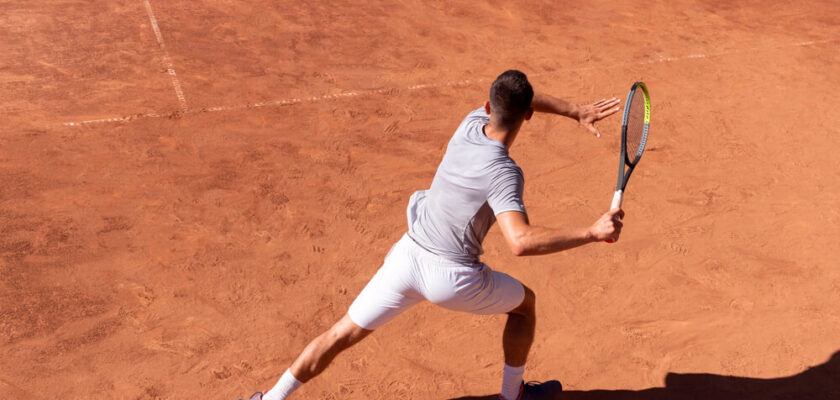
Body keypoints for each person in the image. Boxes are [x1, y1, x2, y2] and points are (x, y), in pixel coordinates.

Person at [255, 70, 623, 400]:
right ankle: (513, 396)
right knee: (524, 306)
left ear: (487, 106)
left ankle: (269, 399)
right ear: (528, 115)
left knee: (340, 334)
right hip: (453, 279)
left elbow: (516, 98)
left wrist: (575, 110)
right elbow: (520, 241)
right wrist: (592, 232)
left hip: (405, 258)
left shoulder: (469, 123)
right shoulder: (505, 173)